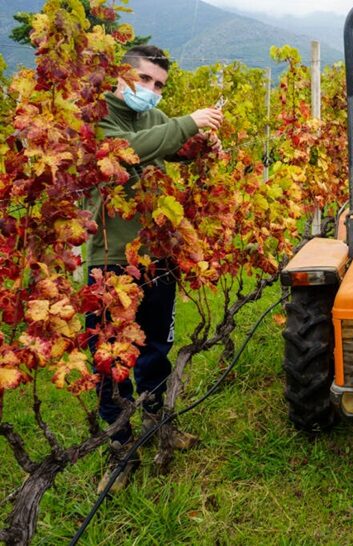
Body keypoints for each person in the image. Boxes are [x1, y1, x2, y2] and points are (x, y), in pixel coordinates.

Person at [86, 44, 224, 493]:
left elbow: (175, 144)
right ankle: (121, 453)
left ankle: (157, 426)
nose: (150, 90)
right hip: (111, 262)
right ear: (121, 76)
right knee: (111, 364)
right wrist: (188, 123)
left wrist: (203, 143)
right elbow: (125, 151)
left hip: (158, 256)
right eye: (144, 80)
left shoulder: (152, 118)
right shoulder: (95, 115)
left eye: (159, 85)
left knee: (156, 351)